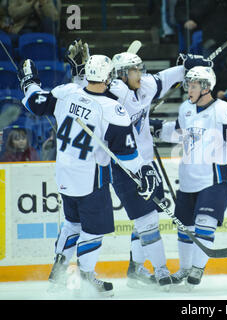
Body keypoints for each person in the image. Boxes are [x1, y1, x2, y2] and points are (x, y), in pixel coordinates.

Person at [65, 40, 213, 289]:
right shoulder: (108, 94)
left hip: (147, 164)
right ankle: (160, 270)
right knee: (147, 221)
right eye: (135, 70)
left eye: (141, 69)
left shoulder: (146, 84)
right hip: (123, 167)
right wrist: (79, 71)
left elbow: (183, 70)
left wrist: (196, 61)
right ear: (122, 75)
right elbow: (82, 92)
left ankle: (135, 269)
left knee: (150, 216)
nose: (141, 74)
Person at [18, 55, 157, 297]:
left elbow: (35, 102)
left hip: (63, 175)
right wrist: (144, 170)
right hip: (91, 179)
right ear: (108, 77)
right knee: (93, 230)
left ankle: (58, 272)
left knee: (72, 223)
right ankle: (86, 277)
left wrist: (30, 80)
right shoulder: (113, 110)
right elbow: (125, 155)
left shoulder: (67, 92)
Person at [152, 66, 227, 288]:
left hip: (216, 178)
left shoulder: (223, 111)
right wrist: (156, 129)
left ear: (206, 87)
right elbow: (179, 132)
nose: (189, 88)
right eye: (188, 84)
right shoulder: (186, 108)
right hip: (188, 179)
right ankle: (185, 268)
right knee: (184, 228)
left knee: (204, 222)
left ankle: (198, 267)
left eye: (194, 84)